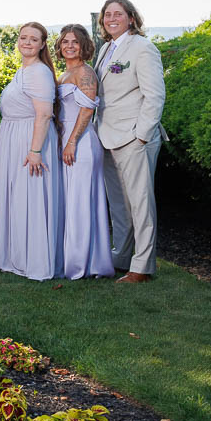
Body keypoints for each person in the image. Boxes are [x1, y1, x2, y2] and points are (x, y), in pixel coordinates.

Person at [94, 0, 167, 283]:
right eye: (107, 15)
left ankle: (142, 266)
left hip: (134, 138)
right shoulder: (106, 49)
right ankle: (121, 256)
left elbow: (155, 95)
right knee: (119, 205)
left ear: (131, 18)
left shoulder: (143, 48)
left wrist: (142, 136)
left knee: (141, 203)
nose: (111, 19)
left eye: (118, 14)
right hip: (107, 136)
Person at [0, 22, 62, 281]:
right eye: (23, 38)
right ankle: (18, 255)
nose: (27, 43)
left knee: (31, 196)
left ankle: (35, 260)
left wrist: (35, 151)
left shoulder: (39, 72)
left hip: (30, 139)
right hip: (16, 137)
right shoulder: (25, 70)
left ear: (43, 44)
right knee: (19, 197)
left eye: (34, 39)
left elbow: (43, 114)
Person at [56, 25, 115, 279]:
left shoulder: (85, 72)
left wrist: (71, 142)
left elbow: (87, 109)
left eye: (75, 42)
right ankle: (74, 258)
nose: (69, 46)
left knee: (81, 202)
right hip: (66, 140)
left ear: (84, 46)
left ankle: (82, 264)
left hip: (81, 143)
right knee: (71, 201)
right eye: (65, 41)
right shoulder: (64, 73)